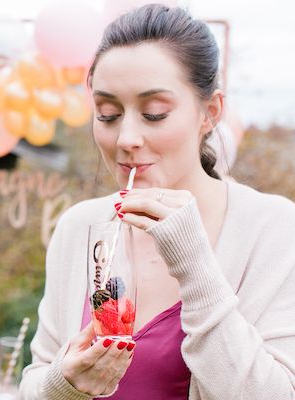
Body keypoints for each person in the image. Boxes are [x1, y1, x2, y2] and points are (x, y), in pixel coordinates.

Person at [19, 4, 295, 400]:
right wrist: (65, 385)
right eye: (108, 114)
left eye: (154, 114)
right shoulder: (79, 226)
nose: (126, 138)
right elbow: (35, 378)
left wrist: (194, 263)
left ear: (209, 113)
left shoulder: (273, 227)